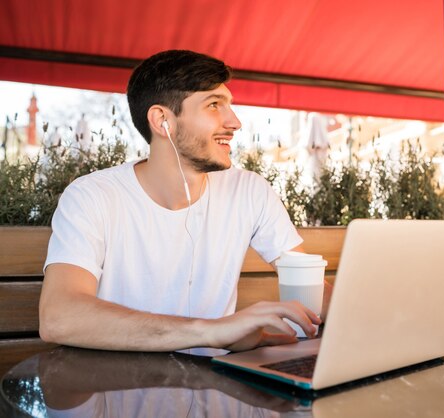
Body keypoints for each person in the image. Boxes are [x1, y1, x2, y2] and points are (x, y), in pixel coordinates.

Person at [39, 50, 322, 356]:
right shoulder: (92, 197)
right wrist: (211, 332)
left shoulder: (249, 190)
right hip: (119, 390)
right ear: (163, 121)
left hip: (218, 390)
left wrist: (369, 318)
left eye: (229, 105)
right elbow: (60, 317)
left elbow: (305, 275)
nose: (235, 121)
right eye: (214, 105)